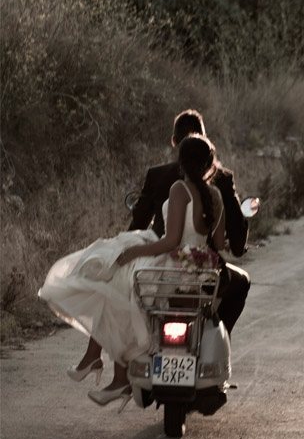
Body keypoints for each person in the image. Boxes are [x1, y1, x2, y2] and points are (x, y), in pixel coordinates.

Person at [39, 135, 228, 410]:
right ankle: (106, 367)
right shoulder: (215, 195)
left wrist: (134, 253)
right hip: (199, 270)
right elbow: (220, 244)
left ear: (181, 163)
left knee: (116, 274)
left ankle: (107, 366)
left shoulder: (180, 189)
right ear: (209, 164)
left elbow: (172, 241)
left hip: (174, 265)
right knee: (120, 283)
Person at [129, 109, 250, 336]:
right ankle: (215, 334)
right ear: (208, 157)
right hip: (206, 272)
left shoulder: (158, 177)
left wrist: (132, 251)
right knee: (241, 283)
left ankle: (110, 359)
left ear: (175, 143)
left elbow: (137, 228)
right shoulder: (219, 184)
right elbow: (231, 244)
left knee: (126, 293)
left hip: (167, 266)